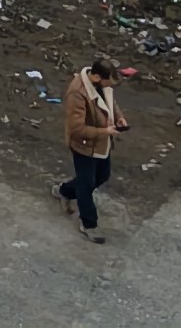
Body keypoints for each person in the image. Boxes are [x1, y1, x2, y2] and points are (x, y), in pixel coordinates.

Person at [57, 59, 124, 240]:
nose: (110, 86)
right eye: (108, 82)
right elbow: (77, 129)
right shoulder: (77, 95)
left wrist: (118, 117)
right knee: (86, 184)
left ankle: (65, 191)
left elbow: (110, 102)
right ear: (96, 77)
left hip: (101, 142)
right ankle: (89, 223)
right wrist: (105, 131)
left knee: (102, 175)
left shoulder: (102, 85)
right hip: (84, 145)